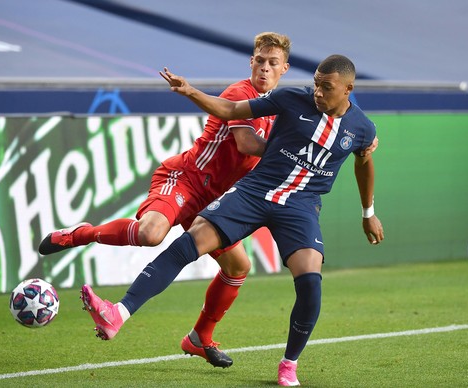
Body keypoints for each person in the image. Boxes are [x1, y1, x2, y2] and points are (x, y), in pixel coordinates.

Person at [79, 54, 384, 386]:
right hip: (253, 192)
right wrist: (191, 92)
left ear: (348, 89)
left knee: (310, 282)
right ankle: (117, 314)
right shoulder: (291, 98)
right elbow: (231, 111)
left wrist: (368, 213)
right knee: (188, 244)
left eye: (327, 88)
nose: (318, 93)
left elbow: (363, 162)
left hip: (300, 207)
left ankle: (288, 364)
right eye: (316, 84)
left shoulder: (362, 128)